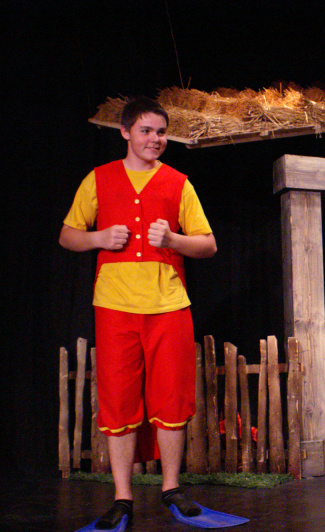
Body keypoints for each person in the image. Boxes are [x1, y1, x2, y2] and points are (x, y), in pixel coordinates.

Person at [60, 97, 233, 531]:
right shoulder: (99, 179)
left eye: (161, 132)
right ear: (125, 132)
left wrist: (173, 241)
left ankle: (171, 487)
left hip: (168, 306)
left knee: (172, 396)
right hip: (115, 306)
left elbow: (208, 245)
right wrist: (99, 238)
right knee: (118, 399)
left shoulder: (178, 183)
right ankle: (122, 496)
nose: (155, 139)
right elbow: (67, 235)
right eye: (146, 131)